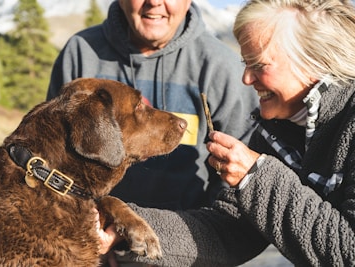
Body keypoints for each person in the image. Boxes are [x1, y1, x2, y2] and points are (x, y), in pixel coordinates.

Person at [98, 0, 355, 266]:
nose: (246, 79)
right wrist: (125, 225)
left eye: (259, 64)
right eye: (246, 63)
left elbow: (347, 250)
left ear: (315, 59)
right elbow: (229, 232)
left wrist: (255, 177)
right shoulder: (275, 132)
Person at [47, 0, 258, 211]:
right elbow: (52, 157)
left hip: (189, 233)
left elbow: (237, 185)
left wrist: (202, 237)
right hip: (91, 230)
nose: (154, 2)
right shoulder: (81, 54)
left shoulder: (221, 68)